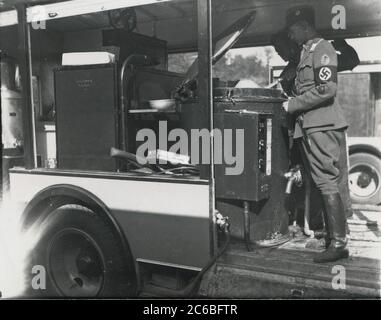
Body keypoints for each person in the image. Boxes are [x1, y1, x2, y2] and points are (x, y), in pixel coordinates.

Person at [282, 6, 351, 263]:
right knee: (325, 181)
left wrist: (293, 105)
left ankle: (340, 244)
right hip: (313, 126)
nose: (291, 36)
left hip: (322, 125)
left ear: (305, 27)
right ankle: (334, 237)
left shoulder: (322, 48)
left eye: (293, 31)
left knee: (327, 182)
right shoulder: (306, 52)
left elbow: (327, 88)